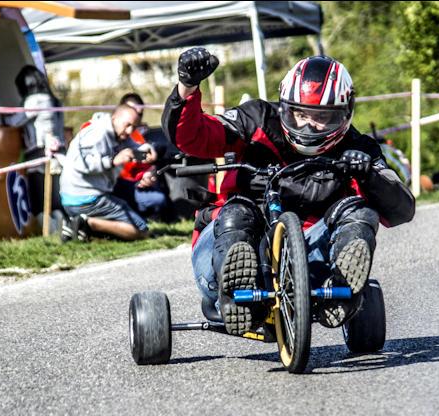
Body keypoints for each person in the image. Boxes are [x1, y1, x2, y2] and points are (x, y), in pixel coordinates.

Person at [162, 48, 415, 335]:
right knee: (237, 213)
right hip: (225, 242)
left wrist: (369, 174)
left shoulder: (358, 148)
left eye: (321, 116)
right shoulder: (255, 118)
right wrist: (187, 87)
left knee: (360, 211)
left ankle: (343, 289)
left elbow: (402, 210)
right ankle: (237, 296)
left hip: (309, 264)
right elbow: (193, 137)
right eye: (299, 113)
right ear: (284, 106)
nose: (308, 125)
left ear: (344, 114)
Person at [59, 103, 152, 242]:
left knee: (127, 199)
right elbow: (79, 162)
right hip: (84, 199)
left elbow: (136, 147)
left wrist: (149, 150)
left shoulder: (118, 133)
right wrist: (112, 161)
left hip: (82, 197)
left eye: (133, 127)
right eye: (127, 125)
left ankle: (80, 229)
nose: (129, 130)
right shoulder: (98, 133)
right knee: (141, 230)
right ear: (114, 118)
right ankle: (85, 223)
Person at [7, 65, 66, 233]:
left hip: (38, 153)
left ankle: (49, 232)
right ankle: (61, 229)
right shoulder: (54, 100)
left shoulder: (34, 100)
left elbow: (14, 122)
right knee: (55, 199)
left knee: (39, 200)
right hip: (58, 153)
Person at [112, 93, 170, 220]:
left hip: (133, 185)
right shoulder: (104, 133)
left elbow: (145, 166)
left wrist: (148, 175)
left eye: (140, 113)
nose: (136, 115)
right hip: (112, 186)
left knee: (160, 198)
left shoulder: (136, 135)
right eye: (132, 110)